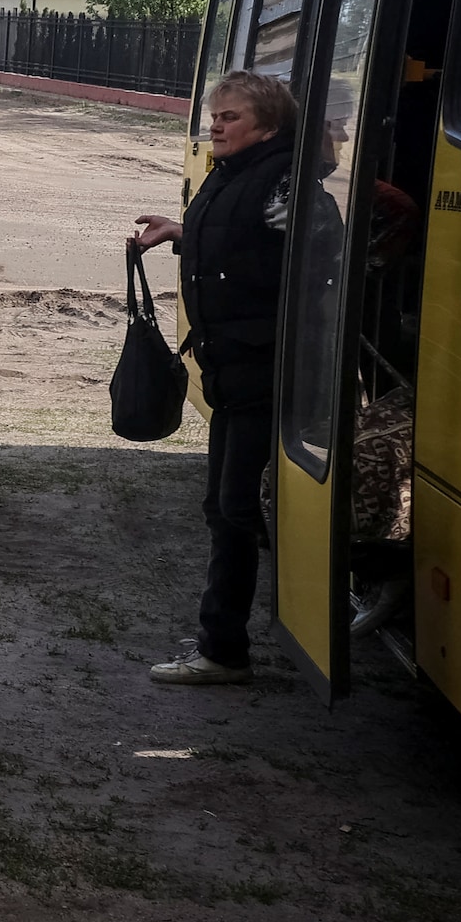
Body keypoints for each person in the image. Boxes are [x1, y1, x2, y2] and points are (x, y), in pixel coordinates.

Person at [131, 69, 299, 686]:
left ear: (269, 124)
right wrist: (182, 233)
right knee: (222, 507)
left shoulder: (283, 178)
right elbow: (241, 241)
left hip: (261, 370)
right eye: (214, 115)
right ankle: (222, 640)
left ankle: (228, 645)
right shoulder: (238, 171)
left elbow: (301, 255)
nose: (216, 125)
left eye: (230, 117)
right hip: (231, 370)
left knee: (235, 509)